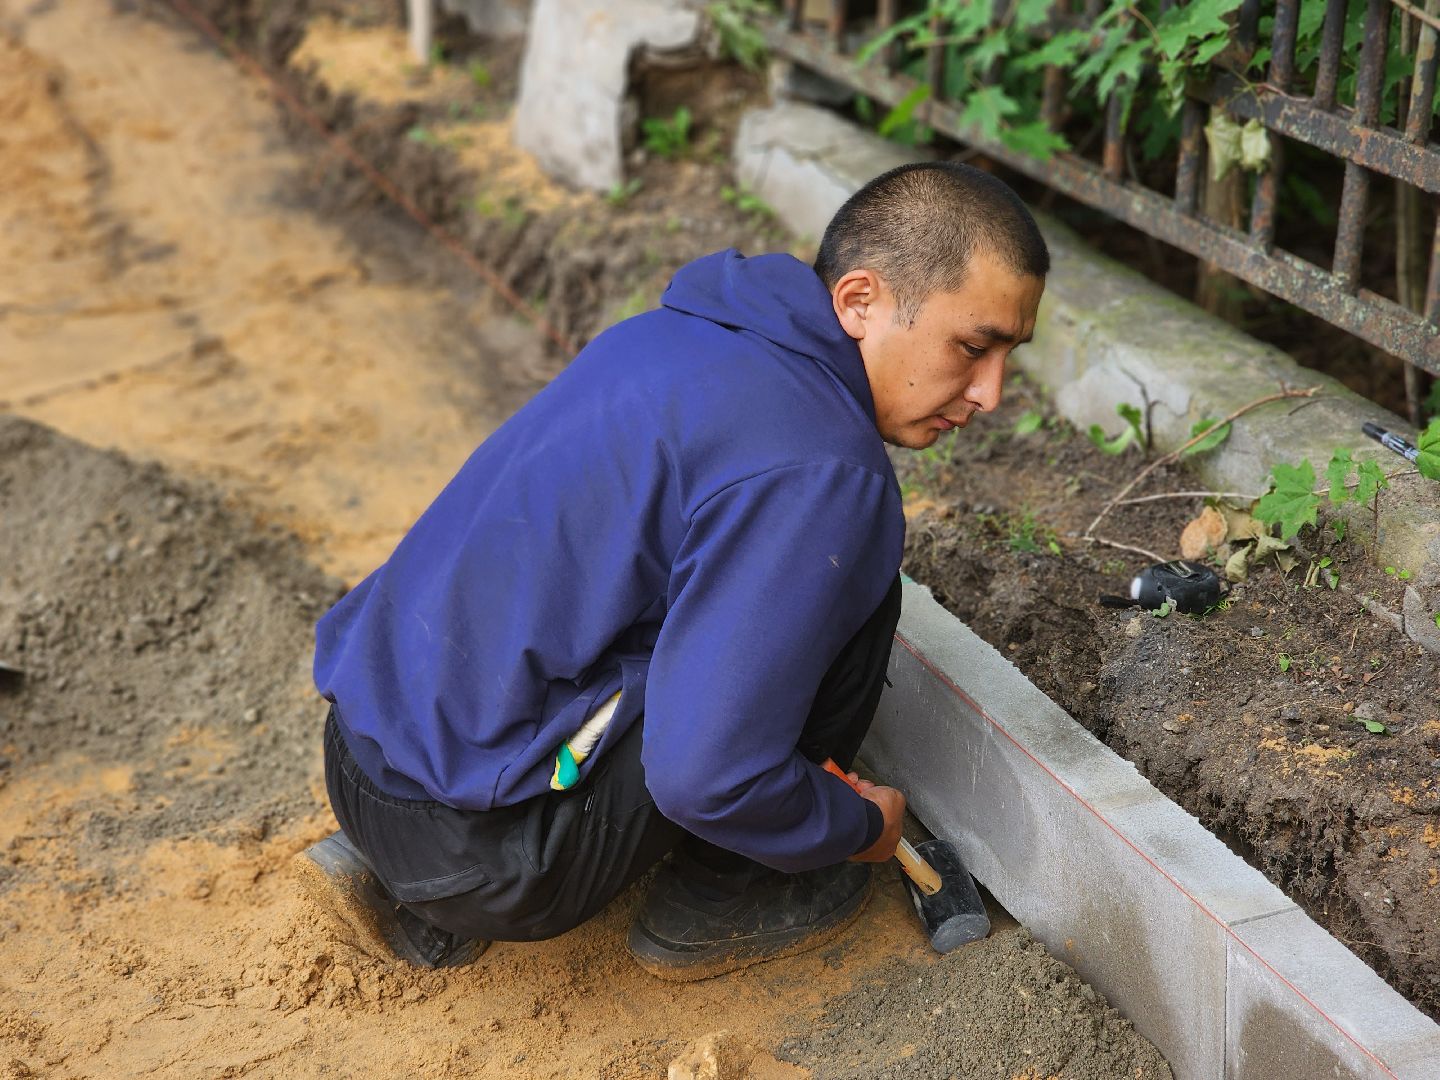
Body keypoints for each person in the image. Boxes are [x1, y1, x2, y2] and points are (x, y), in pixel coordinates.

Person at [300, 161, 1048, 978]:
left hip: (357, 754)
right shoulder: (823, 470)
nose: (991, 393)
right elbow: (706, 778)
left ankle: (405, 878)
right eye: (973, 347)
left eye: (1008, 355)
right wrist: (854, 827)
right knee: (858, 588)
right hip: (487, 859)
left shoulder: (676, 335)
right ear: (860, 300)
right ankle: (727, 898)